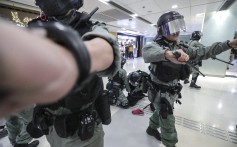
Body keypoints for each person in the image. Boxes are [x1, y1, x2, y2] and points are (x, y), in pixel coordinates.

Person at [0, 1, 120, 147]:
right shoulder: (33, 28)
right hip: (51, 124)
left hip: (82, 127)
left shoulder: (91, 27)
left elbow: (105, 52)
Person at [142, 11, 237, 147]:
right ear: (160, 29)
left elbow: (205, 51)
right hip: (159, 93)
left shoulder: (181, 47)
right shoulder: (155, 46)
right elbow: (147, 52)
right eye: (171, 27)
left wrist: (229, 44)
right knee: (167, 120)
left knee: (160, 112)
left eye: (178, 27)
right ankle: (170, 143)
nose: (176, 31)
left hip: (172, 92)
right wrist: (168, 54)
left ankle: (151, 129)